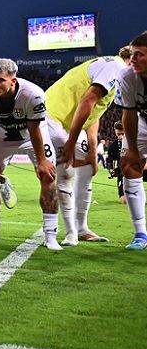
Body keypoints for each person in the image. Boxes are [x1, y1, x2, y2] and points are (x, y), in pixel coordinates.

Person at [0, 58, 60, 250]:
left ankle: (51, 236)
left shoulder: (33, 94)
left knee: (47, 175)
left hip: (32, 134)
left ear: (13, 79)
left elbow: (34, 129)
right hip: (1, 133)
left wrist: (42, 161)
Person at [45, 54, 128, 245]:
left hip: (71, 123)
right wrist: (70, 143)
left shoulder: (114, 77)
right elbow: (87, 102)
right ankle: (70, 234)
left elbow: (94, 112)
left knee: (88, 167)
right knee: (65, 174)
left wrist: (92, 150)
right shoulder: (115, 66)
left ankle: (82, 228)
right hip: (53, 119)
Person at [116, 31, 147, 250]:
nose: (133, 59)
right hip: (143, 120)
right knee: (128, 165)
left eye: (140, 55)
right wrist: (134, 149)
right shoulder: (127, 76)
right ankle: (141, 234)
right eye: (133, 54)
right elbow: (129, 113)